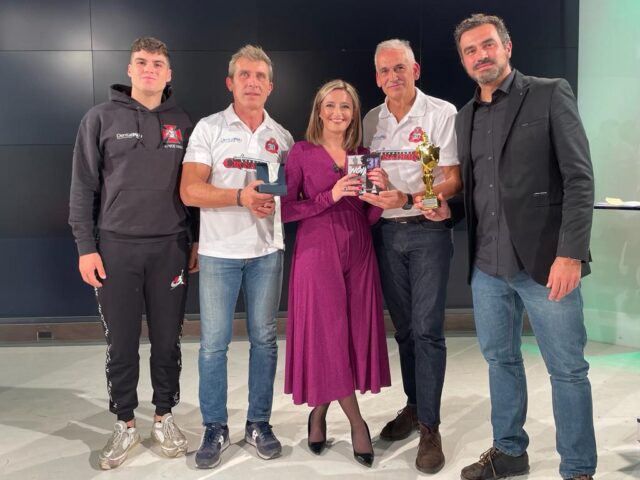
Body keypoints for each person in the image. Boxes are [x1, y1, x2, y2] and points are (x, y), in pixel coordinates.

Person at [423, 13, 597, 480]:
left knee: (567, 369)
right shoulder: (465, 117)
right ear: (463, 61)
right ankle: (509, 451)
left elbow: (580, 179)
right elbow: (478, 192)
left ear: (507, 47)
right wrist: (448, 213)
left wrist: (571, 253)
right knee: (500, 361)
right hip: (487, 267)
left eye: (487, 45)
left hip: (547, 264)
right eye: (470, 50)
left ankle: (578, 469)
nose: (480, 55)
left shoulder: (549, 93)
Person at [68, 37, 197, 470]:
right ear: (129, 69)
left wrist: (195, 240)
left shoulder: (183, 121)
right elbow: (82, 187)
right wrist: (86, 247)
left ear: (169, 73)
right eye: (141, 62)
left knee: (167, 341)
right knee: (121, 344)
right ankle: (124, 422)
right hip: (116, 248)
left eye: (158, 63)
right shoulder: (99, 118)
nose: (149, 69)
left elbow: (193, 188)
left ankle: (163, 416)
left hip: (171, 248)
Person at [180, 45, 293, 469]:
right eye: (244, 75)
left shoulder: (282, 138)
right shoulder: (209, 128)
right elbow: (190, 190)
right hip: (219, 254)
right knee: (214, 345)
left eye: (260, 76)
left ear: (270, 86)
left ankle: (259, 423)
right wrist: (239, 197)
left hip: (266, 253)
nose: (252, 82)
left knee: (264, 341)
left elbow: (289, 195)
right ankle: (214, 427)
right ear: (230, 83)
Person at [361, 39, 462, 474]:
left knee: (427, 331)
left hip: (428, 232)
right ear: (377, 77)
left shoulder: (441, 113)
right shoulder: (371, 120)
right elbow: (364, 172)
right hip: (386, 234)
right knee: (404, 331)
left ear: (415, 69)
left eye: (399, 68)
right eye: (385, 71)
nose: (392, 77)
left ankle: (431, 429)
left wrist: (411, 197)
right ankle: (415, 406)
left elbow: (452, 179)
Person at [281, 79, 391, 468]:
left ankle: (319, 411)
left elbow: (371, 216)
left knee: (351, 335)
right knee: (327, 335)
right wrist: (330, 196)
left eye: (345, 106)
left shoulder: (364, 155)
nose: (337, 113)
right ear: (318, 110)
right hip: (316, 253)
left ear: (354, 113)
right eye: (330, 105)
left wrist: (381, 193)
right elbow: (285, 210)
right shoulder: (301, 152)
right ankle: (357, 423)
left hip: (358, 250)